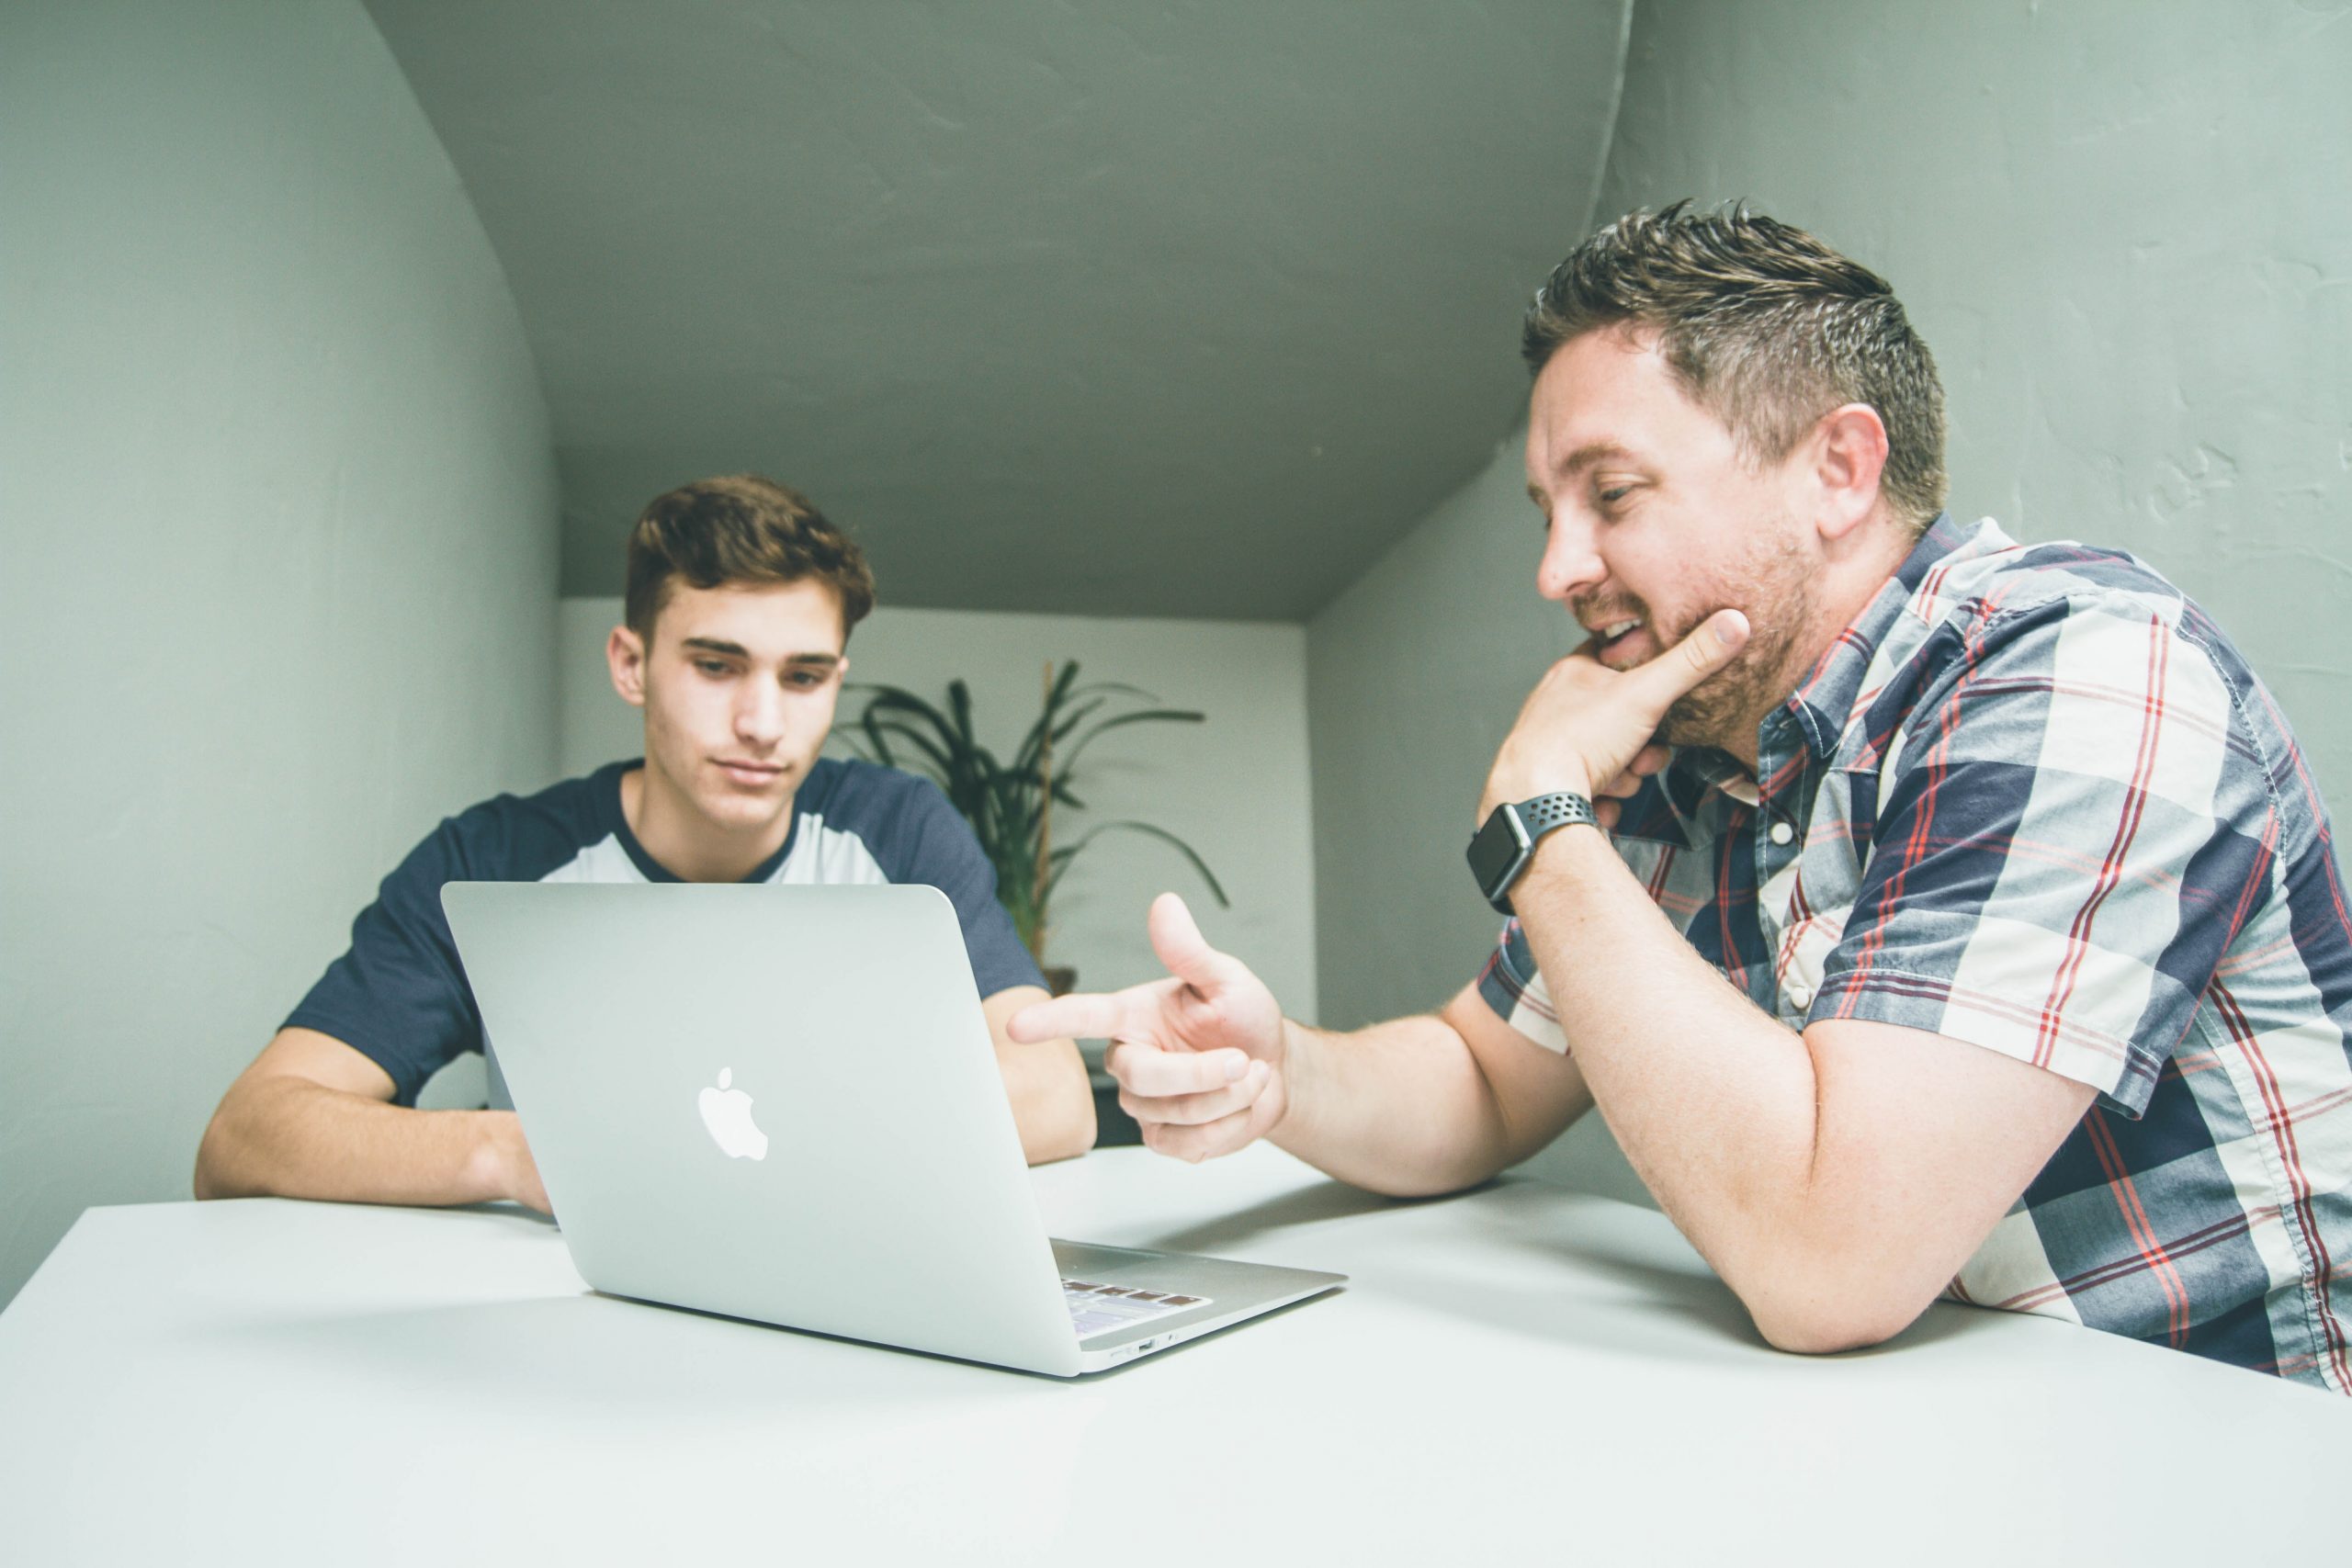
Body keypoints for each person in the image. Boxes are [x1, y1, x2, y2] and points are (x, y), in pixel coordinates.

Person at [1013, 204, 2352, 1390]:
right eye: (1548, 507)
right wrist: (1280, 1068)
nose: (1557, 566)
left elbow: (1832, 1260)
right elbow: (1485, 1074)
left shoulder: (2083, 668)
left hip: (2228, 1450)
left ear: (1838, 468)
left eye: (1612, 494)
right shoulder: (1701, 741)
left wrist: (1542, 815)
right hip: (1927, 1428)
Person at [198, 474, 1094, 1210]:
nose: (762, 722)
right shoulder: (495, 860)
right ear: (631, 664)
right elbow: (246, 1135)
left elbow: (1055, 1099)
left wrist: (732, 1145)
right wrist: (516, 1155)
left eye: (804, 676)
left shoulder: (895, 831)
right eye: (715, 666)